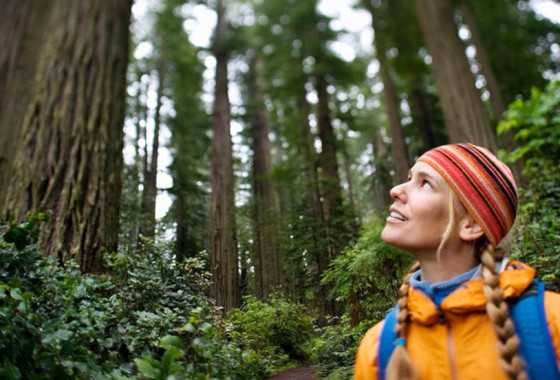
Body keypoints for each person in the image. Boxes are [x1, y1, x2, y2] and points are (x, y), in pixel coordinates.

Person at [353, 143, 560, 380]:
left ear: (471, 225)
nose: (396, 190)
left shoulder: (550, 323)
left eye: (425, 183)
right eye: (409, 178)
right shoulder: (377, 348)